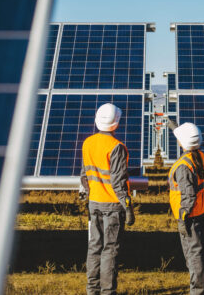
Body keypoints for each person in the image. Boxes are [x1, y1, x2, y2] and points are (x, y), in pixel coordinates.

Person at [80, 103, 135, 295]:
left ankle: (92, 290)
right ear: (116, 123)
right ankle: (107, 291)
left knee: (94, 247)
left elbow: (84, 176)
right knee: (110, 250)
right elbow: (119, 182)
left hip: (94, 202)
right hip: (112, 206)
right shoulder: (117, 147)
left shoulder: (87, 143)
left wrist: (91, 194)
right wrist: (127, 206)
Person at [167, 119, 204, 295]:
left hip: (190, 216)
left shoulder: (183, 166)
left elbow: (188, 195)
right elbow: (188, 139)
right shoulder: (198, 155)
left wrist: (183, 217)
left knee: (194, 255)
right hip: (201, 211)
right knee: (198, 252)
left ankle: (197, 291)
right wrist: (173, 127)